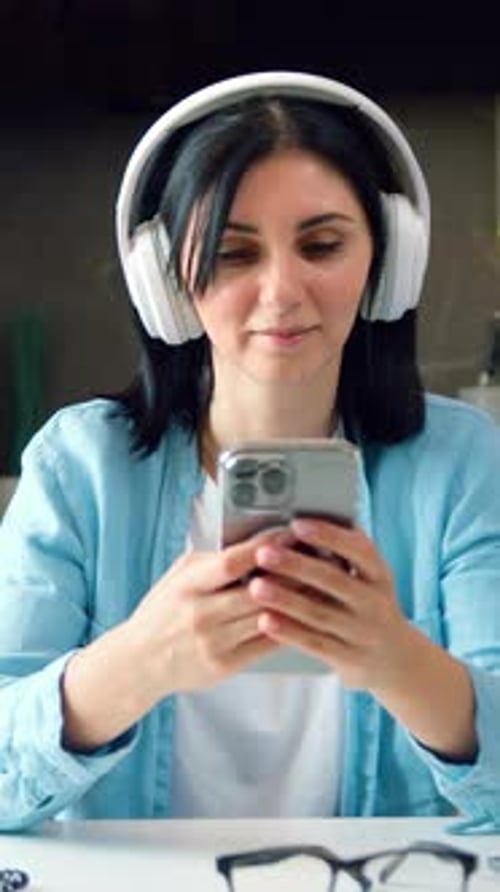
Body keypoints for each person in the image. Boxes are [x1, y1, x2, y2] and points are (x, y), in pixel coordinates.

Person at [1, 70, 500, 834]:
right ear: (166, 283)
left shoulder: (462, 463)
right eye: (234, 254)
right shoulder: (79, 468)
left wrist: (396, 659)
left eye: (322, 244)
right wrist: (137, 662)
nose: (282, 291)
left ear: (389, 262)